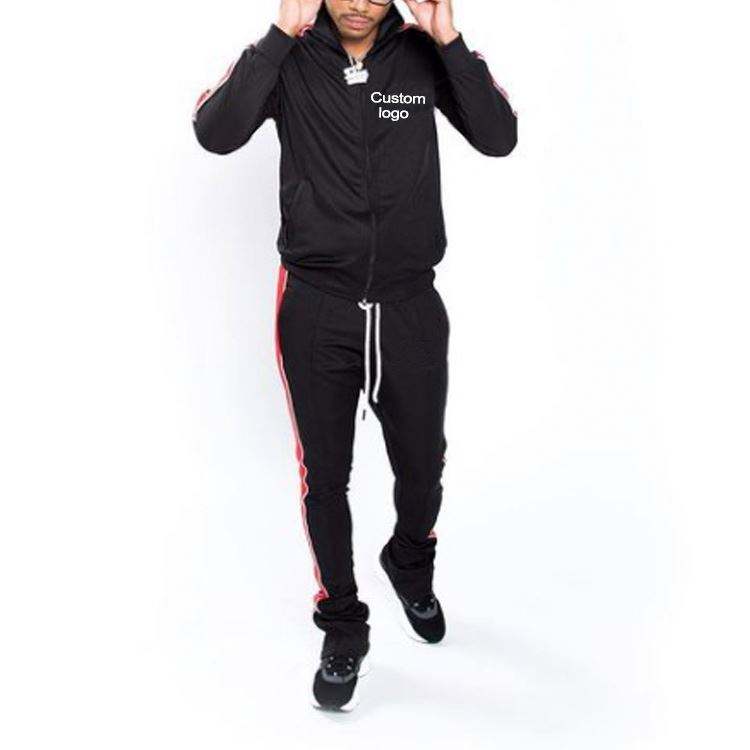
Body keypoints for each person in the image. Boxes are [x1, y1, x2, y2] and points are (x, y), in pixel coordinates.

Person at [192, 0, 517, 711]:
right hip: (317, 306)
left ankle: (409, 559)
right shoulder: (288, 57)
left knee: (423, 466)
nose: (360, 3)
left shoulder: (423, 57)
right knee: (325, 477)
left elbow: (500, 137)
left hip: (409, 305)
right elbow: (214, 133)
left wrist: (450, 41)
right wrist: (281, 35)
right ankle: (343, 624)